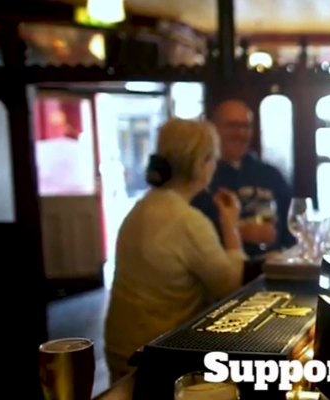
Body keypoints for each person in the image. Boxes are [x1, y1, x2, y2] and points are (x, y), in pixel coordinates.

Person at [104, 119, 245, 383]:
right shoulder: (186, 220)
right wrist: (230, 224)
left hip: (120, 352)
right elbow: (231, 287)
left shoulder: (140, 209)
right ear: (201, 164)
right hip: (159, 359)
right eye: (212, 158)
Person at [191, 100, 295, 259]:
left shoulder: (271, 175)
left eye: (246, 126)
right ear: (213, 128)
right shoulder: (200, 178)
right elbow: (191, 236)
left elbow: (291, 232)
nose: (241, 133)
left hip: (272, 270)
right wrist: (239, 232)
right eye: (232, 126)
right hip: (221, 273)